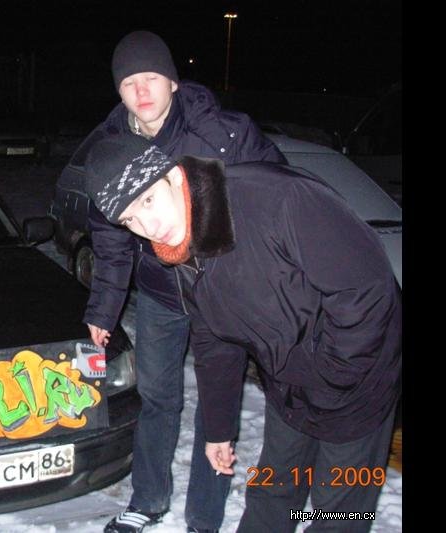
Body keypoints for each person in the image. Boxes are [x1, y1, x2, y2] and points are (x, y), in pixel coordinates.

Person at [83, 134, 401, 533]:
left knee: (337, 510)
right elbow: (214, 340)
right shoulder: (182, 247)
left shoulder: (278, 199)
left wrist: (333, 377)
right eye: (130, 219)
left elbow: (367, 291)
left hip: (358, 383)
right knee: (272, 493)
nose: (149, 227)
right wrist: (218, 430)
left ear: (174, 177)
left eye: (147, 201)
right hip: (290, 385)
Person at [57, 30, 286, 533]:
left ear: (173, 82)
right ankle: (148, 498)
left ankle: (204, 515)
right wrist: (104, 308)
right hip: (161, 294)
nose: (141, 91)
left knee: (216, 404)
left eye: (151, 78)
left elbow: (278, 193)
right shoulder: (110, 148)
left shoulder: (222, 133)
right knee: (158, 397)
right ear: (118, 91)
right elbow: (109, 238)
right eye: (129, 82)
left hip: (220, 293)